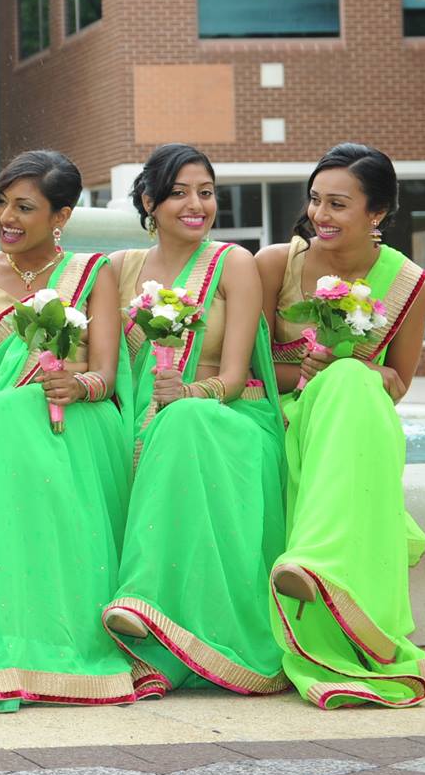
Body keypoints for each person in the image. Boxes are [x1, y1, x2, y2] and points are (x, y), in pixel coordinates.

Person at [0, 149, 135, 711]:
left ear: (61, 216)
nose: (7, 218)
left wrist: (78, 387)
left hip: (80, 418)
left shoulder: (93, 273)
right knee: (8, 412)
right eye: (1, 203)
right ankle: (0, 643)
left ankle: (64, 643)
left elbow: (105, 372)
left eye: (25, 207)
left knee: (18, 415)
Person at [103, 145, 288, 697]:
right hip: (145, 414)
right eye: (180, 192)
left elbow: (233, 376)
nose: (196, 204)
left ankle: (144, 604)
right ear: (148, 202)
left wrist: (185, 392)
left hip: (227, 416)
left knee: (181, 423)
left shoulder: (234, 263)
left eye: (205, 192)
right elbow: (109, 369)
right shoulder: (118, 269)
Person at [258, 143, 425, 708]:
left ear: (376, 214)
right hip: (285, 412)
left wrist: (345, 370)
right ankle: (320, 571)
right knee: (342, 383)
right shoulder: (275, 264)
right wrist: (303, 370)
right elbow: (254, 369)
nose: (320, 215)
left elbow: (398, 382)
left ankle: (317, 567)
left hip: (353, 415)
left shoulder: (406, 281)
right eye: (315, 200)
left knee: (353, 382)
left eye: (338, 204)